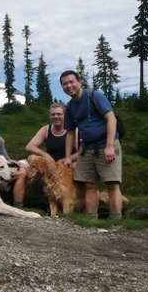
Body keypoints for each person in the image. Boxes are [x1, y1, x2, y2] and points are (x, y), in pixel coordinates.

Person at [60, 70, 123, 220]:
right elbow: (70, 132)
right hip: (86, 148)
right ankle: (91, 220)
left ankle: (115, 221)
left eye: (71, 82)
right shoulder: (69, 107)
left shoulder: (95, 96)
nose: (69, 86)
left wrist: (109, 146)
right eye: (65, 84)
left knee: (112, 184)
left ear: (79, 82)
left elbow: (111, 119)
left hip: (105, 144)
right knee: (89, 185)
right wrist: (68, 157)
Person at [25, 103, 79, 167]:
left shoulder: (73, 130)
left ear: (65, 115)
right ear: (49, 116)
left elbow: (80, 153)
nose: (56, 117)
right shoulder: (46, 129)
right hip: (50, 162)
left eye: (59, 114)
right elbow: (29, 147)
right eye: (53, 114)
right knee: (32, 157)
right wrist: (45, 155)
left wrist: (64, 160)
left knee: (75, 165)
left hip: (68, 163)